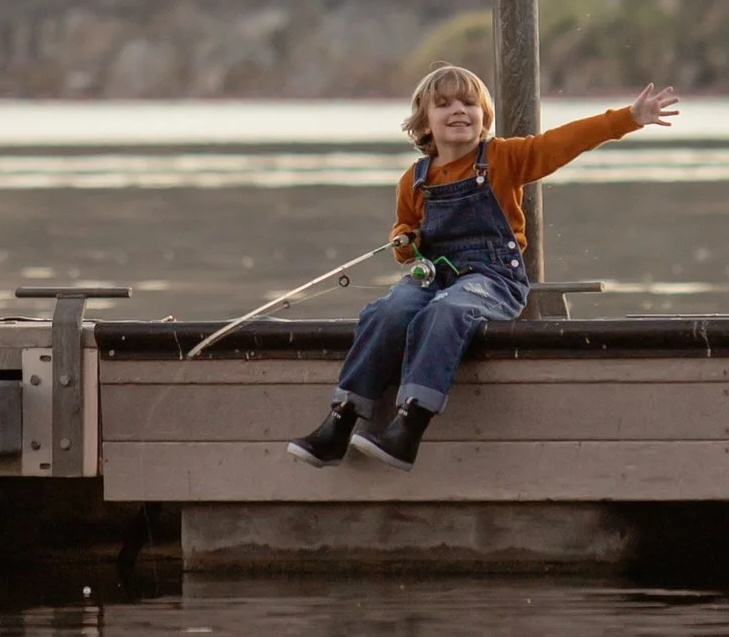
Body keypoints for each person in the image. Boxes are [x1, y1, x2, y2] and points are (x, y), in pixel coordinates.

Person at [289, 65, 681, 472]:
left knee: (446, 312)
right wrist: (408, 241)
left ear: (484, 117)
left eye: (469, 103)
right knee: (388, 311)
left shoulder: (503, 159)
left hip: (493, 278)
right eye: (444, 105)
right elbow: (404, 242)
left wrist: (628, 118)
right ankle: (343, 419)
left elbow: (560, 143)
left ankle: (410, 424)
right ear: (423, 122)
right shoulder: (414, 181)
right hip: (436, 275)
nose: (459, 110)